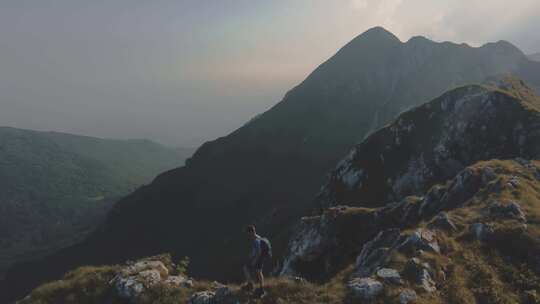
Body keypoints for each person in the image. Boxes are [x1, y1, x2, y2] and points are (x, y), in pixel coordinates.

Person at [242, 225, 271, 298]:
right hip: (260, 258)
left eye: (248, 232)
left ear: (251, 232)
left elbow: (258, 251)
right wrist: (251, 256)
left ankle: (252, 285)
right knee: (258, 272)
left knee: (246, 268)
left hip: (258, 258)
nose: (247, 234)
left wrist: (254, 260)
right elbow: (256, 250)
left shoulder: (255, 240)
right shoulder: (258, 237)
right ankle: (259, 288)